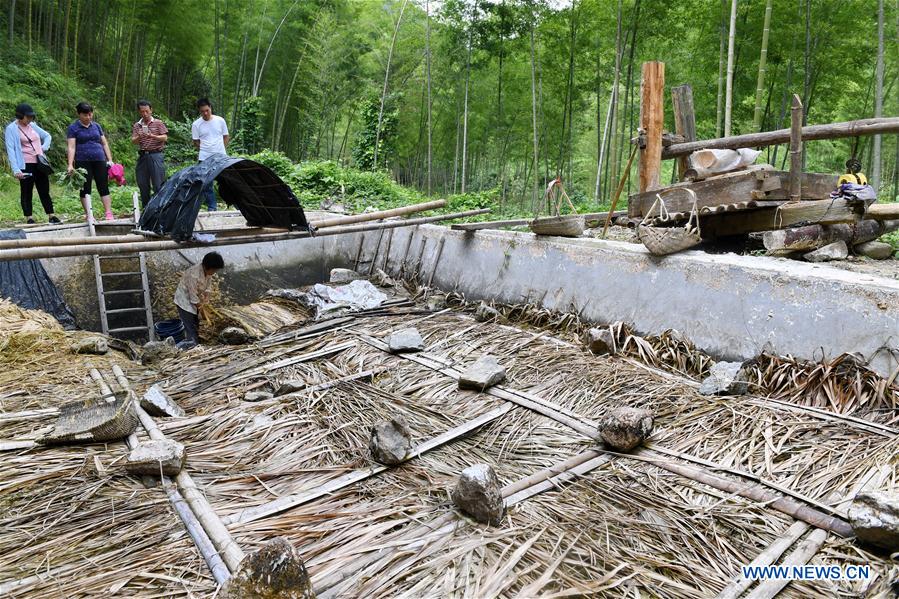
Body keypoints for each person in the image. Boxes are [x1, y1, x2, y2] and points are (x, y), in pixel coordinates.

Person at [4, 103, 59, 224]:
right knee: (27, 190)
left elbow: (47, 136)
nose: (29, 119)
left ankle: (51, 215)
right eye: (27, 117)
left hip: (39, 163)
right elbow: (11, 150)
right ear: (20, 116)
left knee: (44, 189)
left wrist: (43, 148)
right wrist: (16, 169)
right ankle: (29, 217)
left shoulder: (32, 125)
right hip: (25, 164)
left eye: (31, 117)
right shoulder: (11, 129)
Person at [66, 102, 115, 221]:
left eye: (90, 114)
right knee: (85, 187)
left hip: (99, 159)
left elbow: (104, 143)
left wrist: (110, 159)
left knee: (103, 185)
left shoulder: (97, 126)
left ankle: (108, 212)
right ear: (79, 114)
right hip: (82, 161)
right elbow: (71, 147)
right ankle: (89, 214)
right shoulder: (73, 128)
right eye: (85, 115)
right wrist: (70, 165)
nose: (88, 117)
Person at [173, 251, 224, 347]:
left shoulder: (208, 273)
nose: (214, 273)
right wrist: (201, 308)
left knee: (196, 325)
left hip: (195, 301)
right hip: (184, 303)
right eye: (214, 270)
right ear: (206, 266)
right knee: (191, 328)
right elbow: (193, 297)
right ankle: (185, 347)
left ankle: (194, 343)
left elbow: (208, 288)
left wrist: (206, 301)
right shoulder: (193, 274)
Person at [191, 98, 229, 211]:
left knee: (227, 182)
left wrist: (221, 149)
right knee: (206, 184)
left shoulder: (220, 120)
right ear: (199, 111)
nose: (205, 113)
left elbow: (226, 136)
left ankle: (236, 205)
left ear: (210, 107)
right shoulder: (196, 124)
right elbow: (196, 141)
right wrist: (205, 149)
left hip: (221, 157)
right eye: (202, 111)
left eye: (207, 110)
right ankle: (212, 207)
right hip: (204, 158)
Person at [131, 100, 168, 207]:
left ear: (151, 110)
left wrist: (153, 136)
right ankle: (146, 208)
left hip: (156, 154)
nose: (145, 114)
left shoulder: (158, 123)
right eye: (142, 112)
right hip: (143, 155)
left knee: (158, 183)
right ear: (139, 112)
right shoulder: (137, 125)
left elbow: (165, 137)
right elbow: (133, 141)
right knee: (142, 183)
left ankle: (159, 207)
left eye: (147, 111)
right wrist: (140, 136)